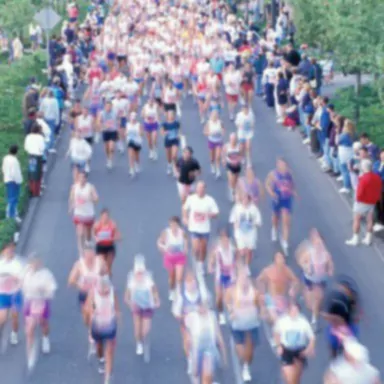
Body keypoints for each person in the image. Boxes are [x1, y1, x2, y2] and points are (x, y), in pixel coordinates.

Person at [225, 264, 262, 382]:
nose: (244, 280)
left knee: (250, 353)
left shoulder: (254, 291)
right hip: (238, 324)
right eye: (241, 277)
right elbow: (227, 300)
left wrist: (260, 312)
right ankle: (244, 364)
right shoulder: (233, 290)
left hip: (252, 323)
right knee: (241, 351)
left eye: (245, 277)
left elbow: (258, 303)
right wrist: (231, 310)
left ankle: (246, 366)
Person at [68, 246, 107, 356]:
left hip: (97, 294)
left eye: (91, 254)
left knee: (94, 317)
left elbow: (105, 274)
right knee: (87, 319)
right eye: (87, 255)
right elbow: (70, 280)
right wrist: (79, 285)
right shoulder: (79, 265)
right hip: (84, 294)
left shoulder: (100, 262)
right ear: (84, 255)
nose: (89, 257)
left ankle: (94, 337)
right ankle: (91, 331)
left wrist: (103, 284)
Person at [22, 259, 57, 370]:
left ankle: (45, 338)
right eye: (32, 262)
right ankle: (30, 354)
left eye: (36, 263)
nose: (34, 265)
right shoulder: (25, 273)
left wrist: (45, 291)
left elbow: (52, 288)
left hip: (41, 301)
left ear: (40, 263)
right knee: (29, 328)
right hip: (29, 302)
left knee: (43, 323)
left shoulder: (46, 274)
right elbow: (19, 284)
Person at [296, 228, 334, 329]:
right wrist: (306, 267)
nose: (318, 246)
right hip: (310, 278)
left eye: (320, 244)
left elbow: (330, 264)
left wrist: (330, 270)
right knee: (309, 299)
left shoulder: (326, 255)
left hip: (321, 280)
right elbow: (301, 261)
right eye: (316, 244)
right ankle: (305, 294)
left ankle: (314, 320)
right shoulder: (310, 253)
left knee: (318, 299)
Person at [256, 252, 299, 339]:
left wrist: (293, 288)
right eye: (278, 258)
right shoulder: (268, 270)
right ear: (275, 260)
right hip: (271, 298)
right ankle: (277, 337)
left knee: (286, 319)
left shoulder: (287, 270)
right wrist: (262, 292)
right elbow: (259, 280)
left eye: (282, 258)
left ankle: (279, 335)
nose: (280, 260)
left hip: (282, 299)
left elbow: (295, 280)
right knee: (276, 319)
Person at [85, 275, 120, 384]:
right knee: (99, 347)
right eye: (102, 291)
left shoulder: (112, 293)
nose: (105, 293)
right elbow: (89, 311)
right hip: (98, 326)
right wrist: (90, 331)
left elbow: (117, 308)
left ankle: (107, 378)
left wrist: (117, 321)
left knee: (109, 351)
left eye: (106, 291)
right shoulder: (93, 293)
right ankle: (101, 359)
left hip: (110, 326)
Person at [125, 255, 160, 360]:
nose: (139, 275)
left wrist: (156, 300)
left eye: (141, 272)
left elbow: (154, 291)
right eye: (138, 273)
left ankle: (144, 339)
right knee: (137, 329)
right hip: (136, 306)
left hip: (147, 306)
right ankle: (139, 342)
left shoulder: (148, 278)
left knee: (146, 330)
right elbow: (126, 296)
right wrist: (130, 303)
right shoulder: (131, 280)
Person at [186, 299, 227, 384]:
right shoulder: (192, 317)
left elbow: (218, 335)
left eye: (204, 306)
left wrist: (224, 355)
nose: (202, 308)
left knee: (207, 374)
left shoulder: (212, 317)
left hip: (210, 349)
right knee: (196, 375)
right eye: (200, 306)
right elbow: (188, 338)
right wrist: (190, 357)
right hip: (197, 349)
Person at [274, 301, 316, 384]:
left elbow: (312, 337)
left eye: (296, 310)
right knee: (289, 377)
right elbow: (276, 333)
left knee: (296, 377)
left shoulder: (303, 322)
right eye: (292, 310)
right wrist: (278, 346)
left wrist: (309, 348)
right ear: (288, 311)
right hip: (286, 350)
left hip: (299, 351)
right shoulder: (282, 321)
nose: (294, 313)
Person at [183, 181, 219, 275]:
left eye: (202, 188)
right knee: (196, 248)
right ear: (196, 189)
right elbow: (185, 208)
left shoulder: (210, 200)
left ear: (205, 189)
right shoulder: (191, 198)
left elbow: (216, 213)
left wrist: (209, 214)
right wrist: (185, 217)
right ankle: (196, 260)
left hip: (205, 229)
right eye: (198, 188)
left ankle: (201, 265)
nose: (200, 190)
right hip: (194, 228)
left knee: (203, 248)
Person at [322, 276, 361, 358]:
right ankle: (334, 357)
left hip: (348, 325)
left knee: (349, 344)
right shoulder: (334, 299)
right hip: (337, 325)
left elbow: (355, 315)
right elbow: (326, 313)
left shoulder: (352, 301)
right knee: (333, 343)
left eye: (345, 290)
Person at [346, 159, 382, 246]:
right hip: (372, 201)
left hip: (362, 202)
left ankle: (355, 238)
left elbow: (359, 192)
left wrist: (357, 199)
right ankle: (368, 238)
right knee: (370, 219)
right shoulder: (377, 177)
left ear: (363, 167)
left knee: (356, 219)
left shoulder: (363, 179)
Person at [265, 157, 296, 256]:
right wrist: (272, 193)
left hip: (286, 199)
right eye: (279, 164)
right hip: (277, 198)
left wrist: (293, 192)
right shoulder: (273, 174)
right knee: (275, 217)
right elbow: (267, 184)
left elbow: (292, 184)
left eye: (283, 164)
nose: (281, 166)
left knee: (286, 221)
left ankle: (285, 241)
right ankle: (274, 228)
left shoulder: (289, 174)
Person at [208, 228, 236, 325]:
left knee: (229, 296)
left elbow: (238, 261)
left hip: (231, 276)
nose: (224, 242)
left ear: (229, 240)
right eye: (222, 240)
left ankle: (231, 311)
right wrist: (211, 266)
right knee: (219, 297)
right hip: (220, 276)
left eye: (226, 240)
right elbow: (211, 259)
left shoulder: (233, 249)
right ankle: (221, 314)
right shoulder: (217, 250)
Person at [229, 193, 262, 274]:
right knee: (242, 251)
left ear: (249, 200)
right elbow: (232, 219)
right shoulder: (237, 208)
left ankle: (246, 266)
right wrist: (235, 225)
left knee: (249, 251)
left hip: (251, 233)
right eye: (243, 199)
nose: (245, 201)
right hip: (240, 233)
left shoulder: (254, 209)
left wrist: (255, 224)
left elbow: (259, 221)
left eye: (246, 199)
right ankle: (237, 264)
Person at [157, 216, 188, 301]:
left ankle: (178, 292)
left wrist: (185, 249)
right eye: (171, 224)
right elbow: (159, 243)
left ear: (178, 225)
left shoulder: (182, 233)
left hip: (180, 257)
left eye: (175, 224)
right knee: (172, 277)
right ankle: (172, 290)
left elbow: (185, 241)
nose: (173, 226)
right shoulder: (166, 233)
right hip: (170, 258)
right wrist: (164, 248)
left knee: (179, 277)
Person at [0, 242, 24, 347]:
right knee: (2, 318)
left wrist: (13, 278)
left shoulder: (17, 264)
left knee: (15, 316)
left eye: (11, 250)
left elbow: (21, 279)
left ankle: (14, 333)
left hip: (14, 293)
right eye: (7, 250)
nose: (9, 252)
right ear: (3, 251)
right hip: (3, 294)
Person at [69, 171, 98, 256]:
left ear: (86, 179)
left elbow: (96, 199)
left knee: (88, 234)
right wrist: (71, 207)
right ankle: (81, 251)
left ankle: (88, 241)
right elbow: (71, 198)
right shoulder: (74, 187)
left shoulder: (90, 187)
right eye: (80, 177)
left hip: (89, 214)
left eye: (83, 177)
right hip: (78, 213)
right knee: (80, 232)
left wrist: (90, 199)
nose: (81, 179)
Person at [93, 209, 121, 276]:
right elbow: (93, 234)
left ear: (109, 217)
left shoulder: (113, 224)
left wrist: (112, 238)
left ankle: (108, 282)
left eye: (106, 217)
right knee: (101, 267)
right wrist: (96, 238)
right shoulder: (97, 225)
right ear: (101, 217)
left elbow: (119, 236)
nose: (105, 218)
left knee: (108, 268)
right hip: (100, 247)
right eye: (103, 217)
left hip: (110, 247)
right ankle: (101, 282)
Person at [2, 145, 23, 222]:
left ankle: (12, 214)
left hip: (7, 179)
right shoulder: (14, 160)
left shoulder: (6, 158)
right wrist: (18, 181)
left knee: (10, 198)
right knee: (13, 199)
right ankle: (11, 216)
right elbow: (15, 173)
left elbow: (3, 169)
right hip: (14, 181)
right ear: (16, 151)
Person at [24, 125, 45, 197]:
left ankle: (31, 189)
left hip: (31, 156)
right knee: (38, 174)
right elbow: (42, 147)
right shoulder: (40, 137)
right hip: (38, 156)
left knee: (31, 173)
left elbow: (26, 147)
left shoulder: (28, 137)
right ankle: (36, 191)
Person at [97, 101, 118, 169]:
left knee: (111, 147)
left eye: (109, 106)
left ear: (111, 106)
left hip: (113, 131)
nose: (108, 108)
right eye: (107, 106)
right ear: (105, 107)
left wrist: (118, 127)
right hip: (105, 131)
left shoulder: (114, 112)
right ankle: (108, 158)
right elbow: (98, 121)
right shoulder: (102, 113)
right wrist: (102, 126)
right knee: (106, 148)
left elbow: (118, 120)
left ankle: (110, 161)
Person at [204, 110, 224, 179]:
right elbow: (205, 132)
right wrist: (210, 133)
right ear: (211, 116)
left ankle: (218, 170)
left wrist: (222, 132)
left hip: (219, 141)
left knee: (218, 156)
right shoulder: (208, 123)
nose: (215, 116)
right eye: (213, 115)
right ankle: (212, 164)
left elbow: (223, 130)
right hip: (211, 141)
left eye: (216, 115)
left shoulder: (220, 122)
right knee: (212, 157)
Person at [222, 133, 243, 202]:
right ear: (230, 139)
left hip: (237, 165)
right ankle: (231, 192)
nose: (233, 141)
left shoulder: (239, 146)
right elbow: (223, 153)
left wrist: (239, 160)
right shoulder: (226, 146)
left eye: (234, 139)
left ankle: (234, 190)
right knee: (231, 180)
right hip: (229, 165)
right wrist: (224, 160)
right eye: (232, 139)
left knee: (235, 181)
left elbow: (241, 154)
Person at [126, 111, 143, 177]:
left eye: (134, 118)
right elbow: (125, 133)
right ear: (130, 118)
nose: (133, 119)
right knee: (130, 155)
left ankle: (137, 164)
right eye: (132, 118)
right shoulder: (127, 124)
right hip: (130, 141)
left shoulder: (138, 125)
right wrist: (127, 134)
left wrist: (139, 132)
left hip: (137, 142)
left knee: (136, 155)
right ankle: (131, 168)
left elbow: (142, 134)